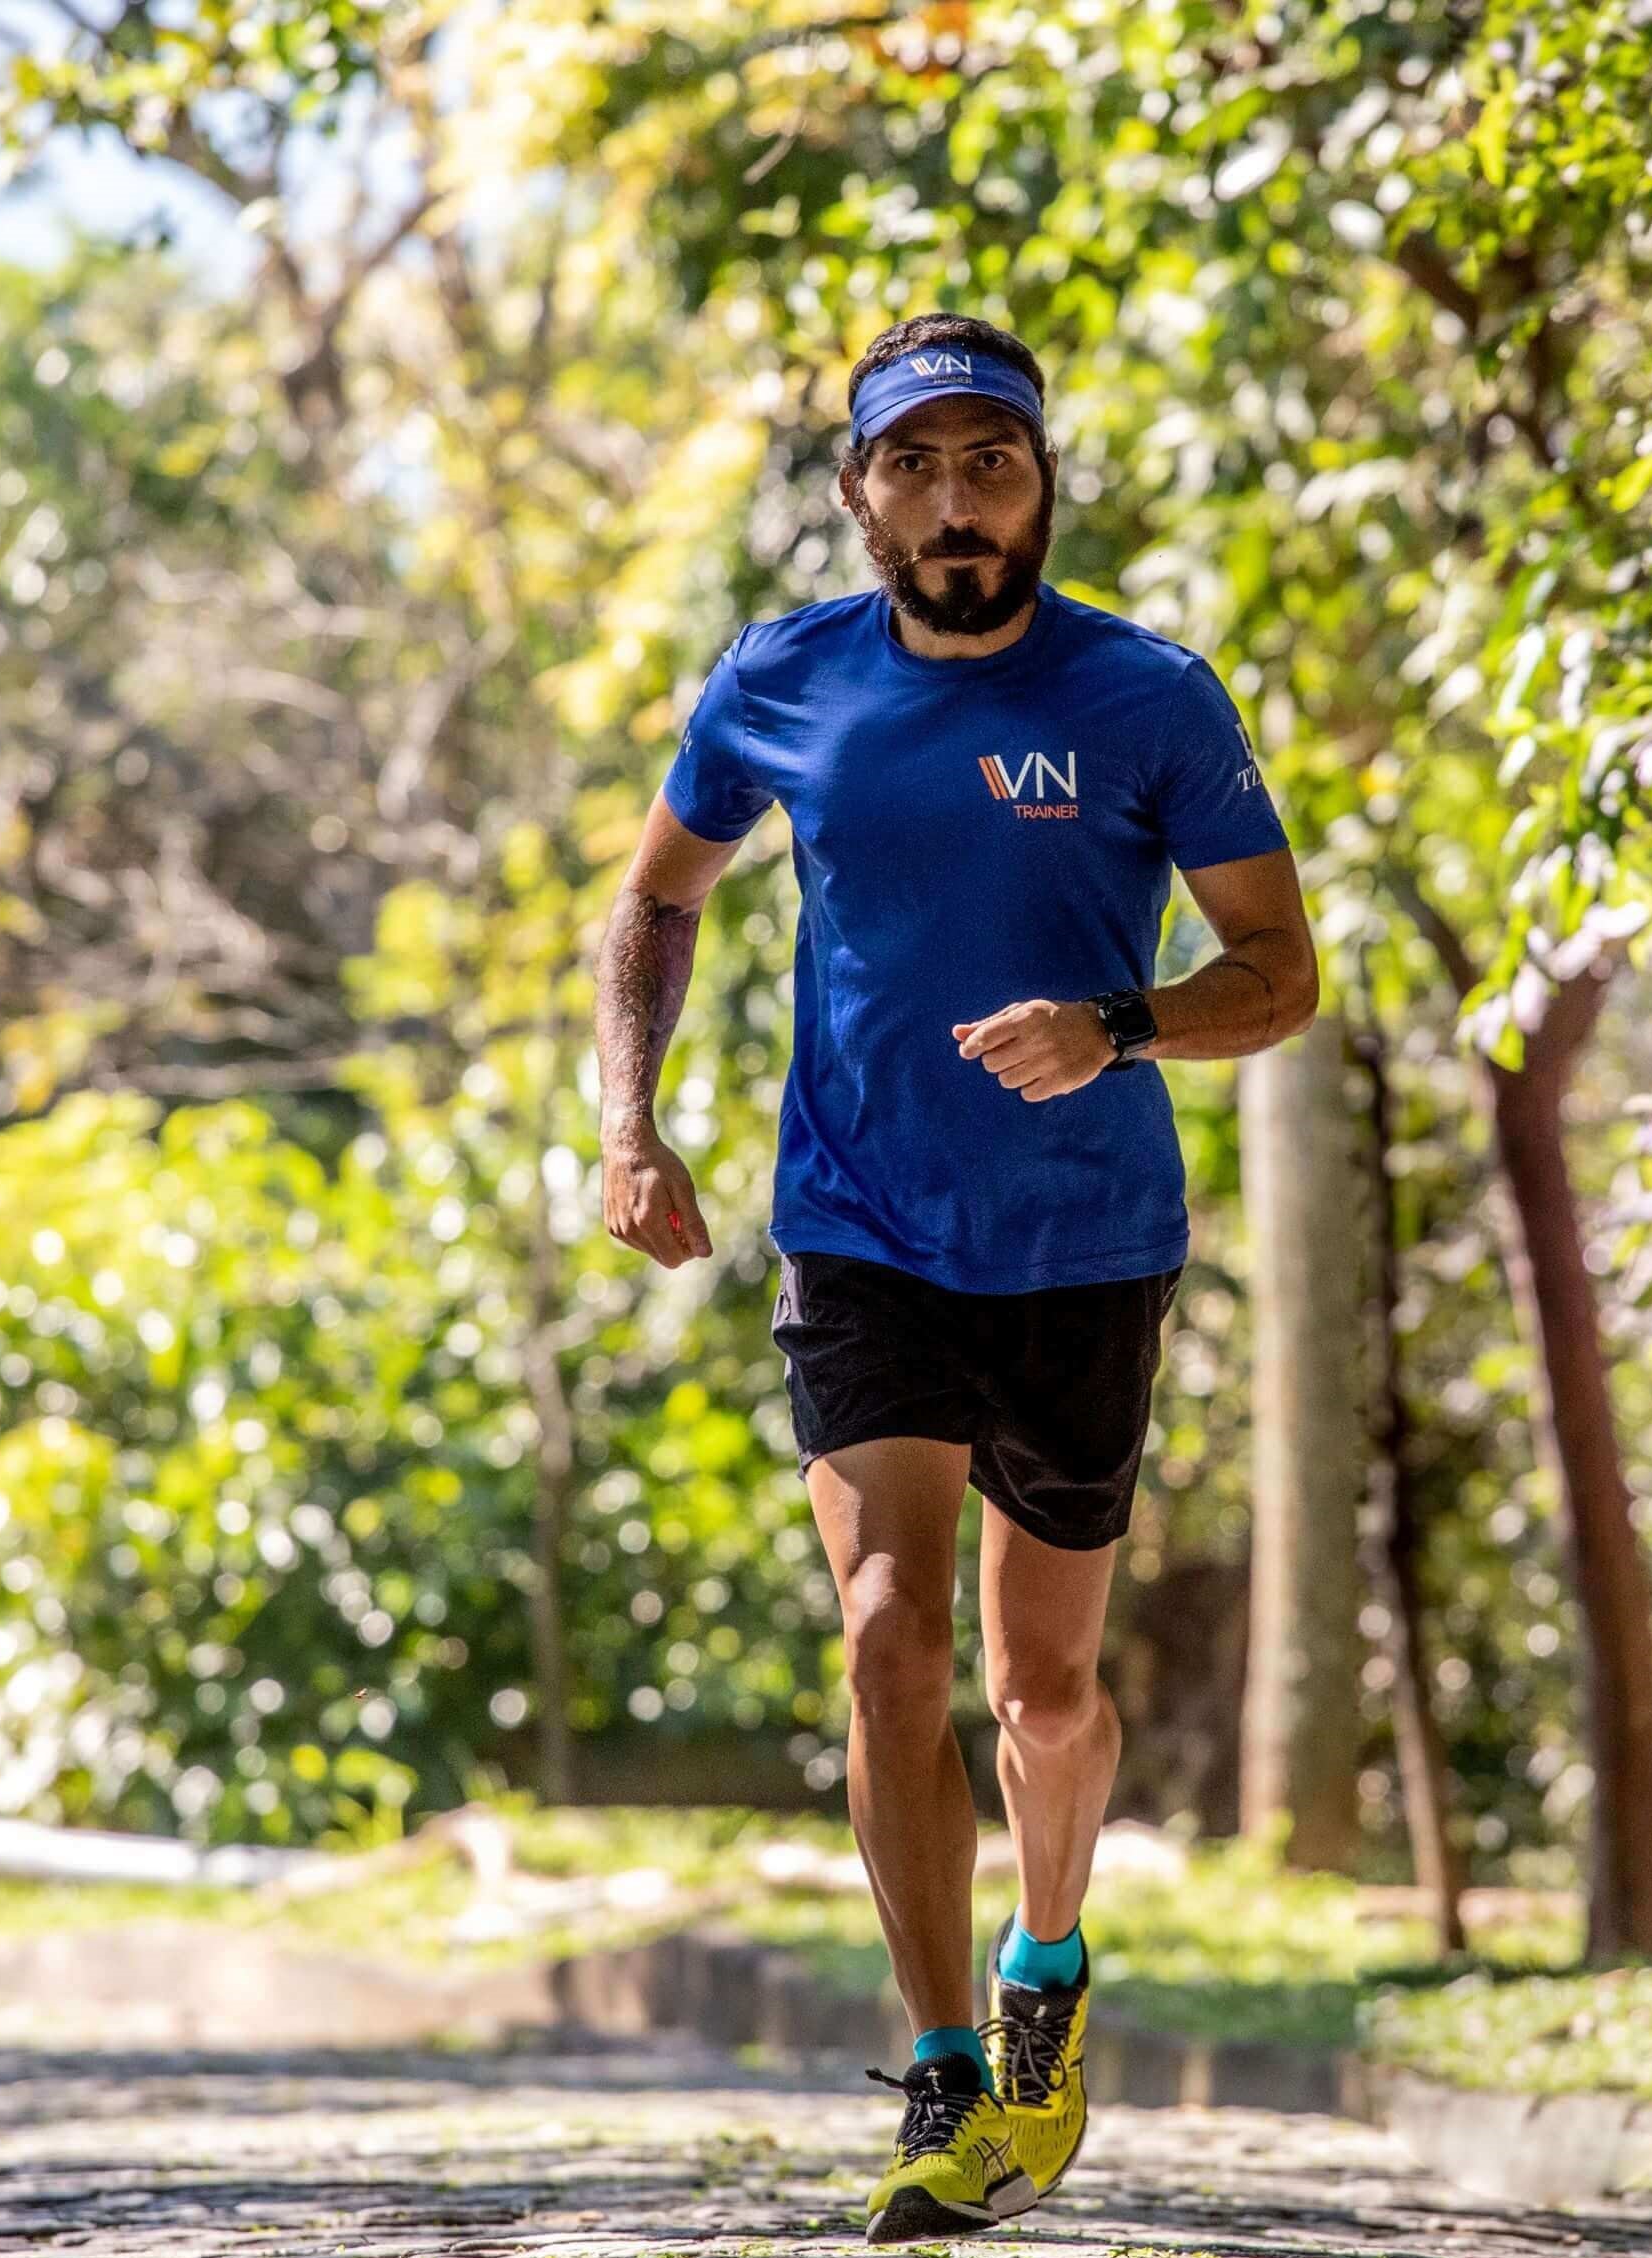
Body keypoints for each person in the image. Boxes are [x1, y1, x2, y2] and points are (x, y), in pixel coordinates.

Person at [590, 312, 1320, 2242]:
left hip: (1086, 1245)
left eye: (989, 462)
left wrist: (1119, 1024)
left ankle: (1044, 1968)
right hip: (861, 1231)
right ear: (859, 497)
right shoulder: (783, 679)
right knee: (887, 1638)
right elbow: (658, 892)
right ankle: (938, 2074)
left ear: (1042, 482)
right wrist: (629, 1122)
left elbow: (1281, 971)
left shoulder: (1149, 697)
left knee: (1045, 1695)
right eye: (913, 466)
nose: (954, 501)